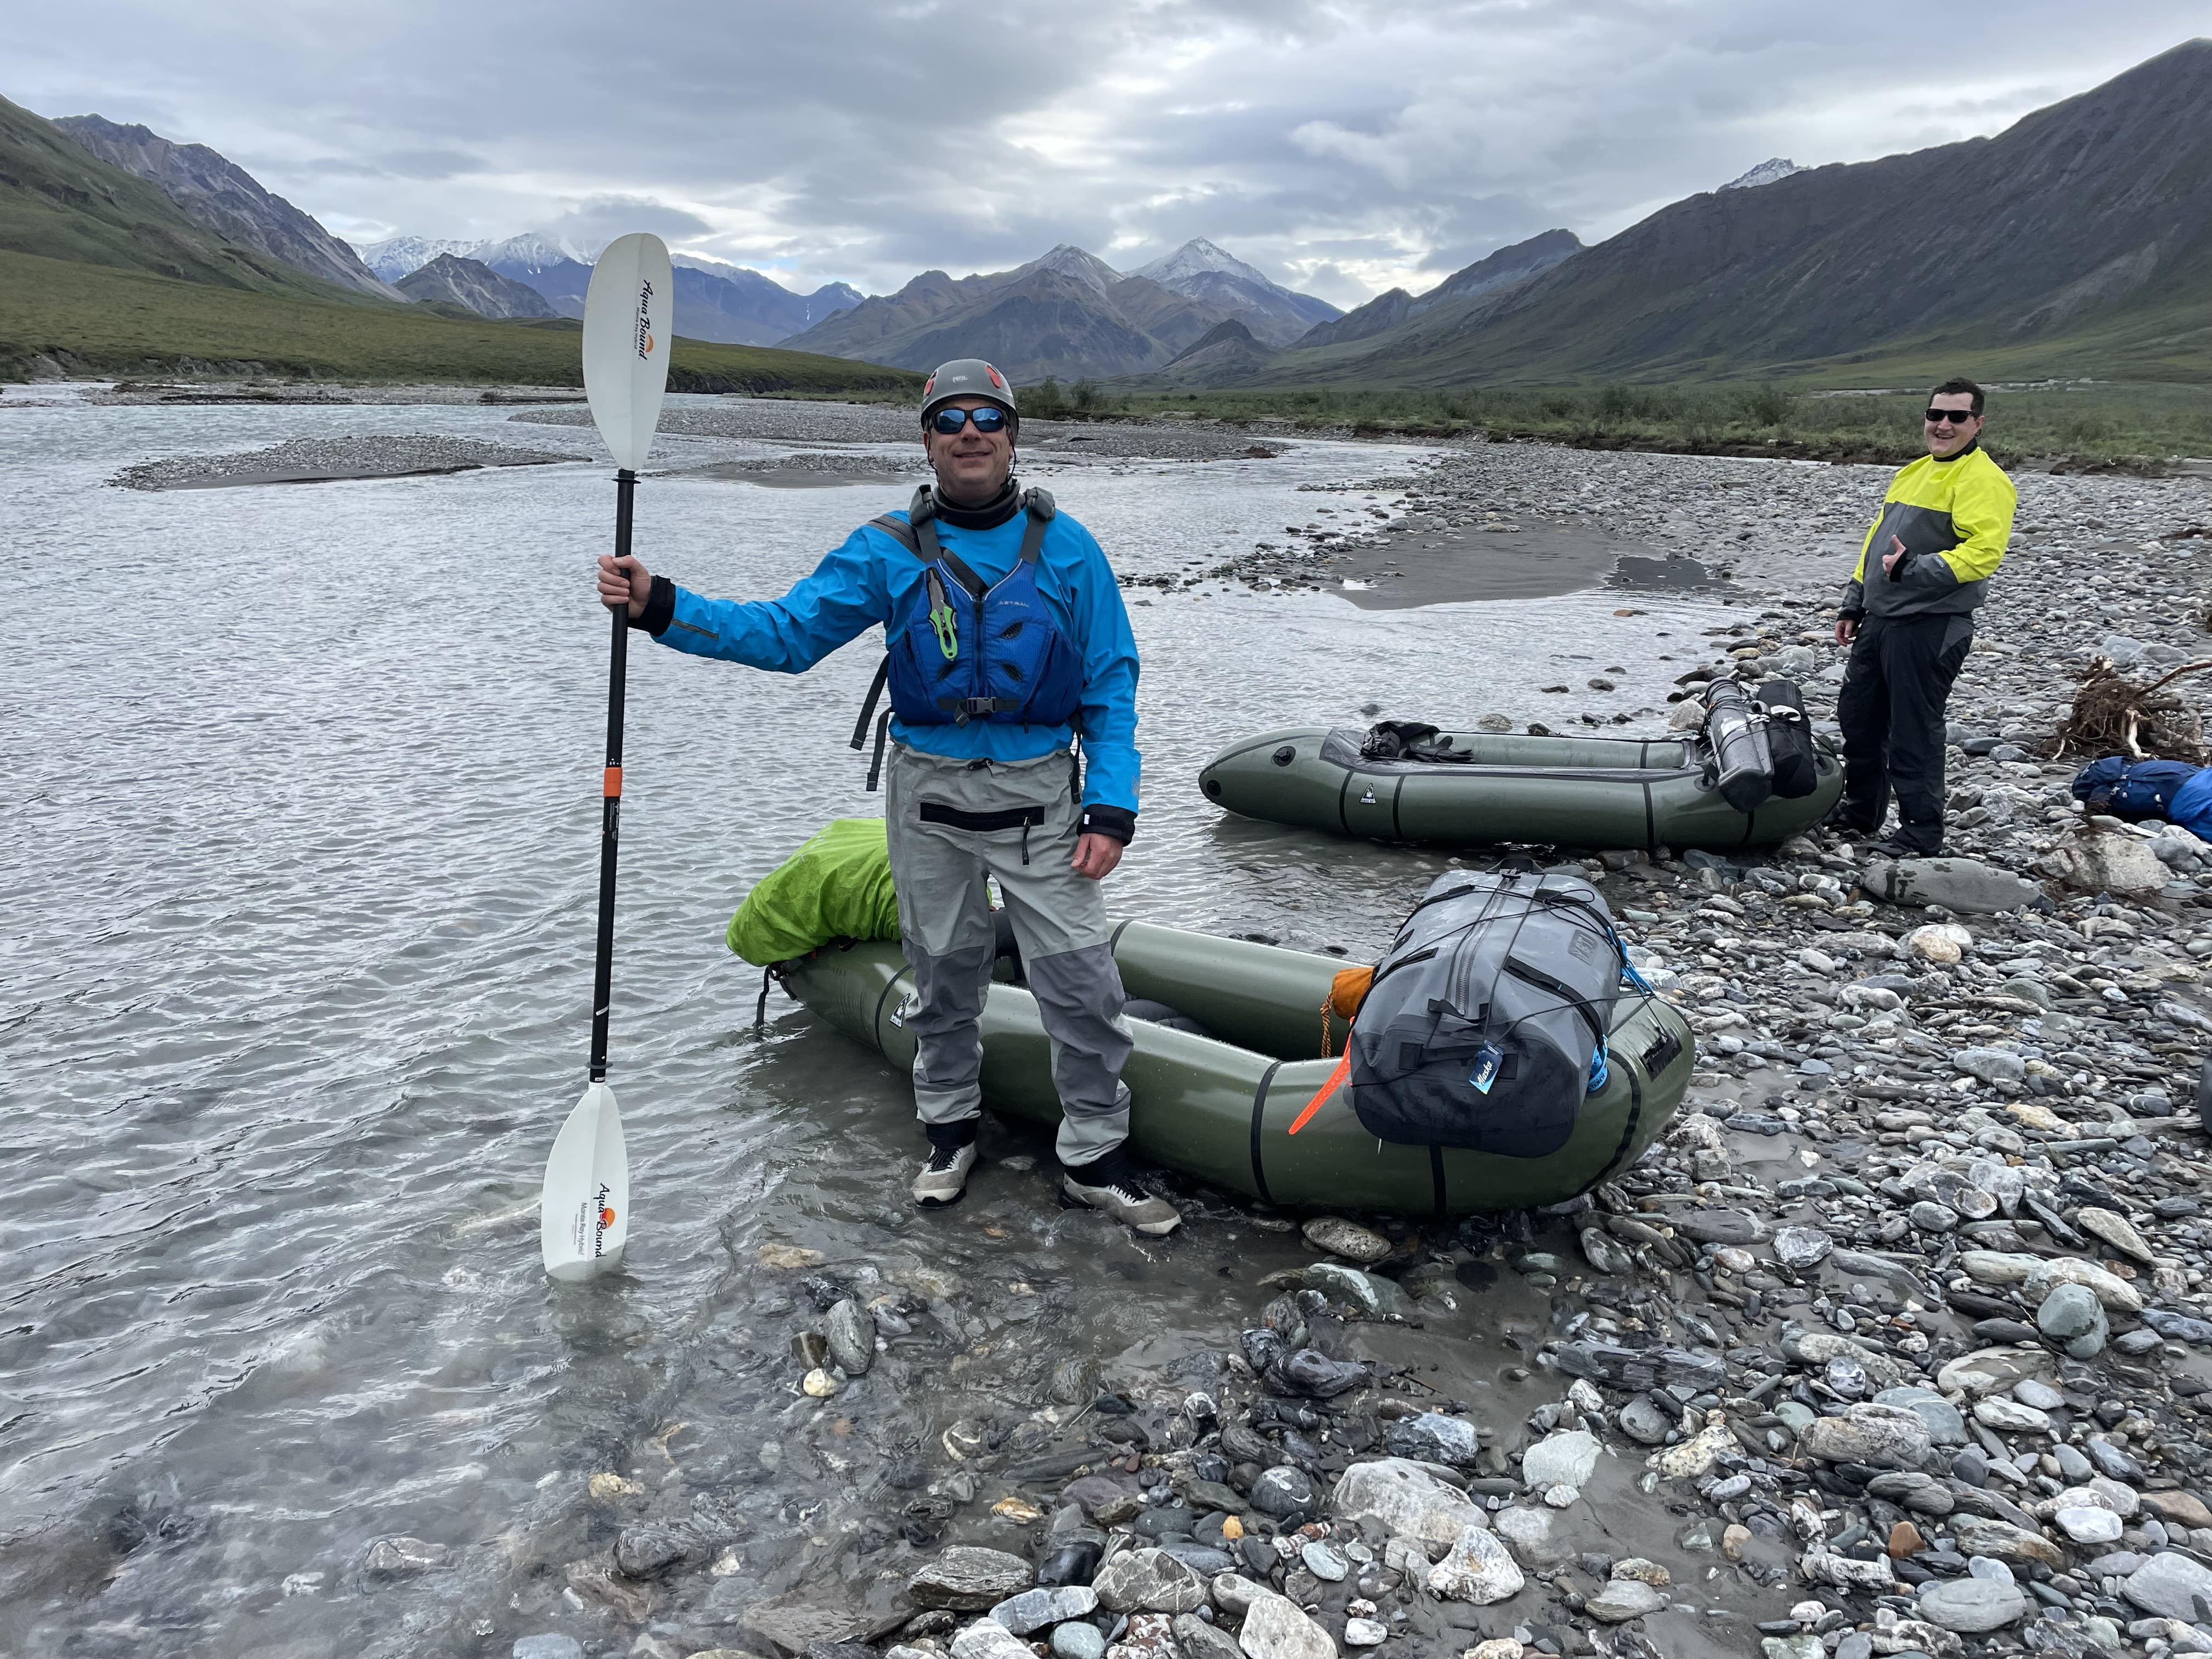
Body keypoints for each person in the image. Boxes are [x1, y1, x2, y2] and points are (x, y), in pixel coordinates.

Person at [595, 359, 1177, 1235]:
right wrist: (662, 606)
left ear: (1013, 436)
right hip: (928, 795)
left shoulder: (1070, 549)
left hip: (1042, 799)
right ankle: (949, 1131)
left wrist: (1112, 804)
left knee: (1082, 982)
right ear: (928, 441)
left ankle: (1094, 1153)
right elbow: (788, 636)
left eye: (988, 417)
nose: (970, 432)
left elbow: (1111, 680)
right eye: (950, 420)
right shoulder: (886, 549)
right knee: (942, 976)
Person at [1830, 377, 2016, 856]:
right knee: (1859, 718)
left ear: (1978, 423)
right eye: (1936, 415)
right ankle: (1861, 812)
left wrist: (1916, 567)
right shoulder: (1911, 473)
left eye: (1957, 417)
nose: (1944, 425)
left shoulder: (1984, 480)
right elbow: (1876, 544)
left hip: (1934, 621)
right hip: (1882, 618)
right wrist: (1855, 599)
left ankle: (1921, 832)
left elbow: (1984, 554)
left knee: (1915, 728)